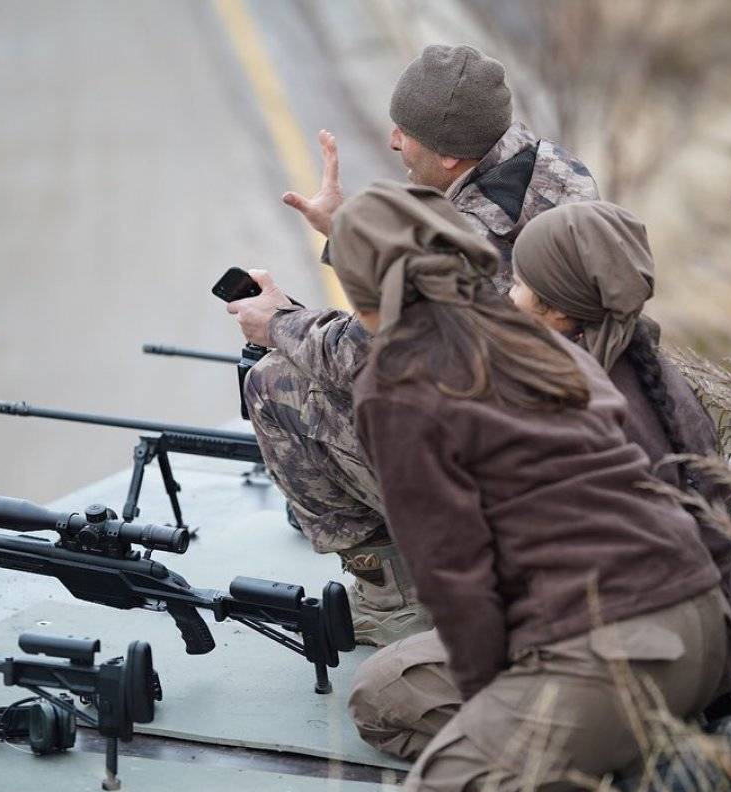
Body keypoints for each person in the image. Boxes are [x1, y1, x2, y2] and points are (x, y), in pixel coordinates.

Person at [329, 180, 731, 792]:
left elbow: (452, 572)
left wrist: (489, 713)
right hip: (707, 627)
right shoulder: (539, 341)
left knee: (440, 786)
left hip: (614, 649)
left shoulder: (397, 383)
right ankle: (660, 763)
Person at [228, 44, 599, 646]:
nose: (395, 142)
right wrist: (349, 227)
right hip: (569, 427)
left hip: (511, 471)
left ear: (451, 156)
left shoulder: (474, 238)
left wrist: (277, 321)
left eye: (407, 134)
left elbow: (357, 357)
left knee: (274, 382)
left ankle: (393, 594)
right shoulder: (546, 167)